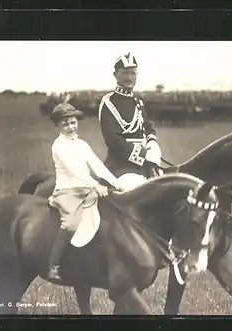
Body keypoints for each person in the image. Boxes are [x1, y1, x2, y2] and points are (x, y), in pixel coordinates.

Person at [47, 102, 124, 281]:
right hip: (67, 191)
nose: (70, 127)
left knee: (111, 212)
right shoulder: (58, 146)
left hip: (87, 189)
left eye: (73, 122)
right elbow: (76, 170)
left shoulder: (81, 144)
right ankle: (53, 265)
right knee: (70, 224)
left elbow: (96, 165)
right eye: (65, 124)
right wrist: (96, 185)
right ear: (58, 126)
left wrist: (116, 182)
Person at [98, 52, 163, 192]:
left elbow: (148, 128)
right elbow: (113, 140)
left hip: (144, 165)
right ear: (115, 75)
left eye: (133, 73)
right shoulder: (108, 102)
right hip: (120, 166)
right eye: (125, 73)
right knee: (136, 190)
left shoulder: (138, 101)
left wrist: (153, 147)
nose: (129, 77)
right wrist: (144, 156)